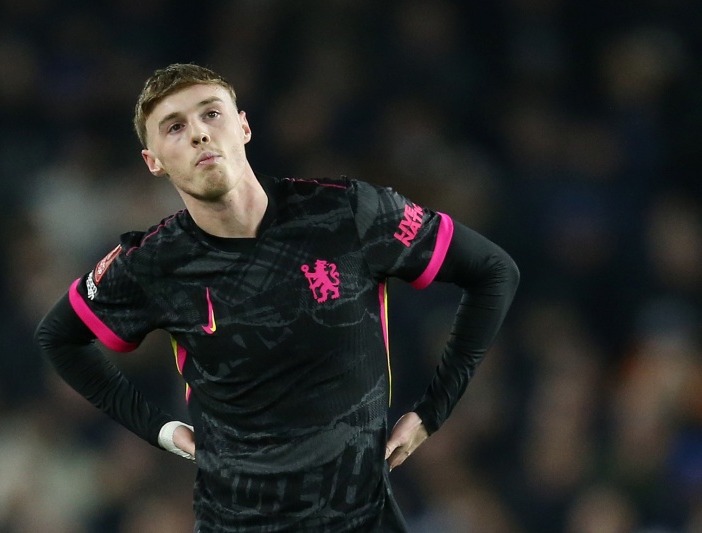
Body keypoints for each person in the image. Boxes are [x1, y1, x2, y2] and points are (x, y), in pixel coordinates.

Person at [35, 63, 519, 532]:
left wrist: (433, 410)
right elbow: (59, 337)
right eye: (175, 127)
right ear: (153, 161)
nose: (199, 133)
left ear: (243, 127)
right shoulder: (152, 262)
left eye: (211, 113)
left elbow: (494, 271)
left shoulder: (347, 211)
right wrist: (159, 430)